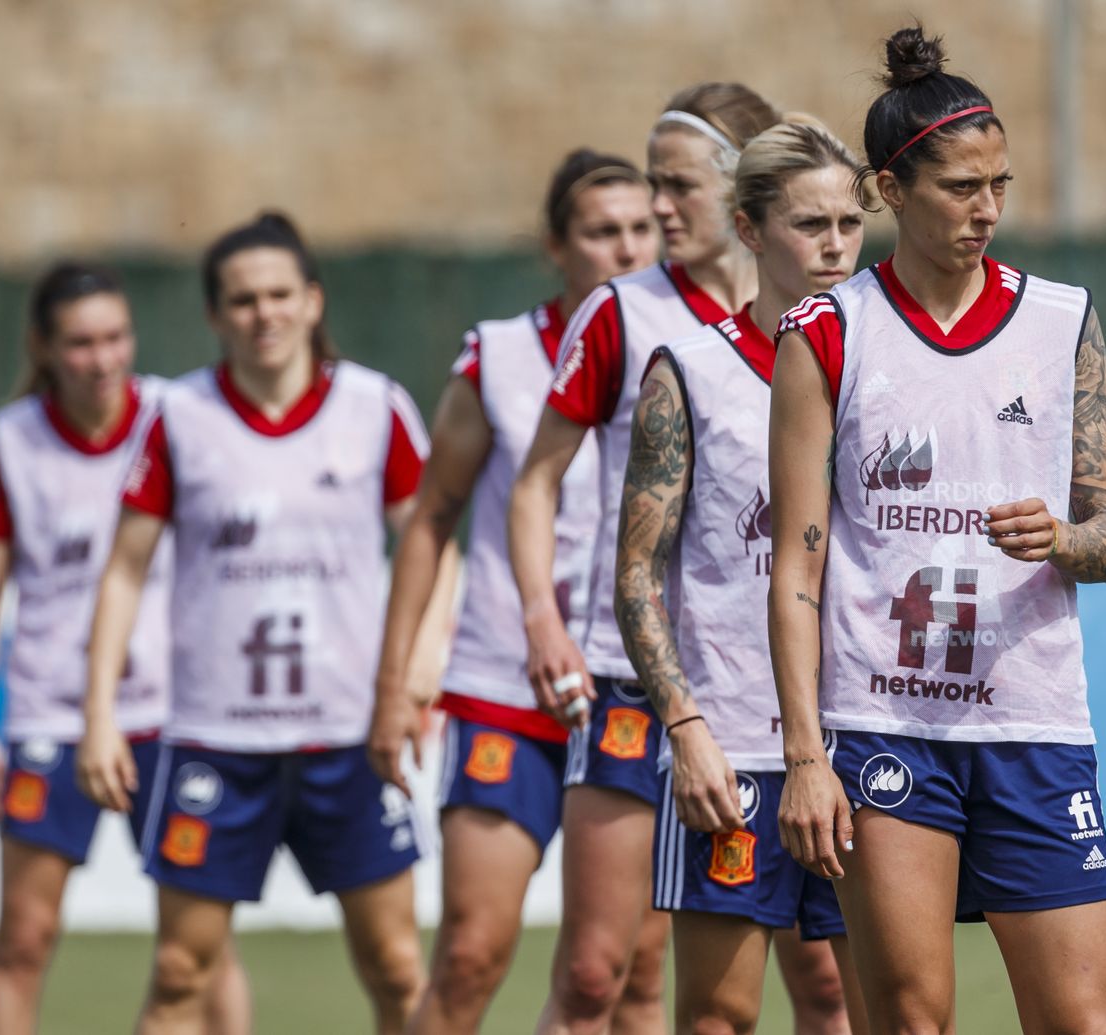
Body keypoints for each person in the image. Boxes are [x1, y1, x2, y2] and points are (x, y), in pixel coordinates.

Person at [769, 25, 1106, 1035]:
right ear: (892, 190)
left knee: (1077, 1022)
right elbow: (795, 569)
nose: (986, 210)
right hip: (887, 727)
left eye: (999, 186)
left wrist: (1061, 539)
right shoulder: (827, 334)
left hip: (1033, 725)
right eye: (960, 188)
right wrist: (804, 755)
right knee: (911, 1020)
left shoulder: (1063, 321)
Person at [512, 83, 846, 1033]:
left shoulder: (852, 329)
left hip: (817, 709)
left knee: (825, 984)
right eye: (649, 184)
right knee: (602, 972)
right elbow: (536, 481)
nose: (658, 208)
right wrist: (544, 615)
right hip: (649, 684)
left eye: (677, 184)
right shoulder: (634, 320)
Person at [78, 212, 445, 1035]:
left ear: (313, 301)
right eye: (242, 300)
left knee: (396, 966)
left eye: (280, 293)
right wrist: (99, 713)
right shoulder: (177, 417)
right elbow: (124, 570)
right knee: (179, 973)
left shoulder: (374, 406)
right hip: (216, 739)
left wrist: (421, 670)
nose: (264, 313)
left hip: (352, 734)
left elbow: (432, 544)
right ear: (215, 315)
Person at [370, 148, 657, 1035]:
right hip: (506, 683)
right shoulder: (498, 357)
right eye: (602, 232)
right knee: (468, 952)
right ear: (556, 246)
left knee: (631, 975)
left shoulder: (687, 350)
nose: (626, 249)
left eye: (642, 228)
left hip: (631, 684)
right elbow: (431, 518)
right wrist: (391, 689)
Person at [615, 116, 869, 1035]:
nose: (835, 244)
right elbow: (637, 572)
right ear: (753, 230)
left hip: (864, 743)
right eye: (810, 224)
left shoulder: (895, 365)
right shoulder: (688, 370)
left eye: (849, 221)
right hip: (733, 751)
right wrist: (685, 729)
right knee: (720, 1016)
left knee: (869, 1006)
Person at [0, 263, 247, 1034]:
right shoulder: (11, 439)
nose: (103, 357)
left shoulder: (176, 416)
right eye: (81, 342)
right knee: (25, 935)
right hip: (52, 712)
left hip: (177, 711)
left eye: (116, 336)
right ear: (44, 348)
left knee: (202, 946)